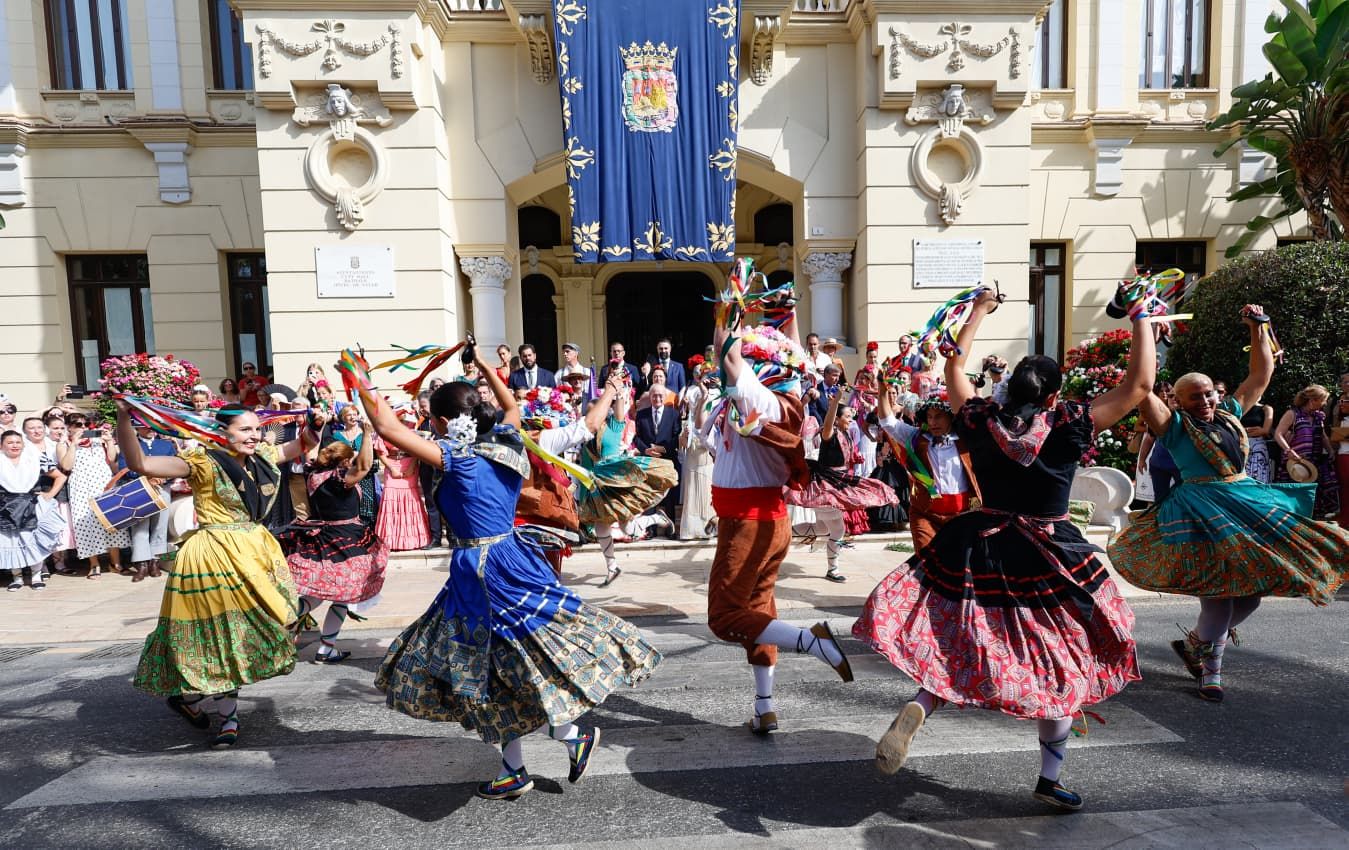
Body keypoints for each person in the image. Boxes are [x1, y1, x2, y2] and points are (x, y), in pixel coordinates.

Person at [855, 287, 1156, 812]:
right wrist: (1140, 315)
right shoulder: (1067, 426)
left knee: (965, 640)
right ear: (1053, 397)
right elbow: (1141, 385)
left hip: (982, 542)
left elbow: (953, 366)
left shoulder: (978, 419)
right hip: (1048, 549)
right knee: (1063, 664)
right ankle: (1049, 779)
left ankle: (924, 702)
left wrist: (977, 312)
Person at [359, 341, 661, 800]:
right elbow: (514, 406)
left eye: (432, 422)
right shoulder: (506, 440)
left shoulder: (457, 461)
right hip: (513, 555)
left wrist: (357, 375)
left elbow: (384, 423)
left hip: (480, 570)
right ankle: (518, 767)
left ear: (441, 423)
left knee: (501, 661)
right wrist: (484, 366)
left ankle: (567, 736)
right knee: (503, 664)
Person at [1110, 307, 1349, 704]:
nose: (1204, 400)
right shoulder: (1173, 427)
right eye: (1194, 396)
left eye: (1208, 393)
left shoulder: (1231, 414)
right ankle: (1211, 671)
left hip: (1244, 502)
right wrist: (1144, 327)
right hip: (1200, 513)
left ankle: (1194, 646)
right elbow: (1142, 386)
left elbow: (1260, 375)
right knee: (1219, 596)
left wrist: (1259, 328)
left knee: (1251, 595)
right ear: (1180, 401)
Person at [117, 400, 318, 749]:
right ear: (221, 431)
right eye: (245, 429)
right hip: (214, 556)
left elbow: (303, 444)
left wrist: (315, 421)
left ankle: (192, 700)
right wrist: (124, 417)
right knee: (223, 635)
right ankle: (229, 718)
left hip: (256, 553)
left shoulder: (263, 459)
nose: (254, 436)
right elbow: (141, 463)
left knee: (275, 622)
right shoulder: (203, 462)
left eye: (257, 429)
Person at [702, 319, 855, 737]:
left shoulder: (765, 400)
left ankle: (813, 641)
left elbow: (727, 355)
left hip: (748, 524)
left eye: (750, 358)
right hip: (764, 522)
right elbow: (728, 362)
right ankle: (764, 706)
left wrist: (728, 311)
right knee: (760, 613)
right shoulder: (770, 403)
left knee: (724, 617)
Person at [276, 424, 386, 663]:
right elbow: (365, 466)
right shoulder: (339, 479)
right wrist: (367, 434)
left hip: (320, 536)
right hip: (345, 540)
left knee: (315, 595)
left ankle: (281, 629)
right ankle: (325, 649)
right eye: (349, 459)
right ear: (344, 462)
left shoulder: (314, 475)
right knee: (343, 595)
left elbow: (355, 461)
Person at [575, 369, 677, 585]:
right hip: (600, 487)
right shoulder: (585, 439)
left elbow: (619, 402)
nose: (591, 416)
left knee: (627, 528)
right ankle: (612, 567)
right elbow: (584, 468)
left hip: (619, 482)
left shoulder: (614, 425)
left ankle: (657, 519)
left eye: (595, 411)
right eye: (589, 413)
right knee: (603, 527)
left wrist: (617, 384)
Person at [788, 386, 897, 582]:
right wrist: (835, 403)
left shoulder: (846, 434)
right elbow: (828, 423)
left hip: (837, 483)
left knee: (822, 528)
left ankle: (783, 530)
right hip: (825, 486)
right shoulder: (830, 434)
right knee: (838, 529)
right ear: (837, 419)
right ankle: (833, 569)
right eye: (847, 416)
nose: (850, 420)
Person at [875, 391, 980, 553]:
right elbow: (888, 423)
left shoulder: (967, 440)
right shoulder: (916, 438)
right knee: (926, 562)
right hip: (925, 513)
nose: (933, 422)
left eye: (938, 416)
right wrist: (882, 390)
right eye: (929, 417)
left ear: (951, 417)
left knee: (957, 565)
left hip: (961, 516)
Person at [1, 430, 66, 591]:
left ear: (23, 444)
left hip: (31, 505)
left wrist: (49, 494)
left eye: (17, 442)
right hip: (5, 508)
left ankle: (36, 575)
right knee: (10, 542)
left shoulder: (35, 458)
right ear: (2, 445)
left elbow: (60, 476)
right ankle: (17, 578)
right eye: (10, 442)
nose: (14, 445)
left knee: (32, 542)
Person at [65, 420, 128, 579]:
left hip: (103, 484)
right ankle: (94, 564)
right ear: (69, 428)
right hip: (81, 487)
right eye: (78, 425)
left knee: (111, 521)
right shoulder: (64, 443)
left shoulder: (98, 441)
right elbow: (66, 465)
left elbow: (112, 459)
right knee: (85, 523)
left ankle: (115, 563)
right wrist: (73, 444)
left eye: (86, 424)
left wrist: (109, 441)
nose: (83, 428)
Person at [119, 424, 177, 582]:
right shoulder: (130, 445)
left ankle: (154, 562)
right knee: (140, 527)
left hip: (162, 489)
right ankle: (141, 564)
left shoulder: (165, 445)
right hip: (140, 490)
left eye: (152, 426)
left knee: (160, 525)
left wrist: (165, 477)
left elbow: (175, 465)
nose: (150, 429)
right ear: (137, 428)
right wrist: (147, 479)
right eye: (145, 426)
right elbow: (124, 468)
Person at [1273, 384, 1339, 519]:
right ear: (1313, 400)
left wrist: (1330, 450)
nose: (1325, 403)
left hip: (1314, 464)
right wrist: (1289, 451)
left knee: (1312, 498)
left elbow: (1323, 436)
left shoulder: (1318, 416)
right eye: (1323, 400)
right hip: (1295, 463)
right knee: (1293, 497)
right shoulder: (1292, 413)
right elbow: (1278, 434)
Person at [374, 410, 430, 552]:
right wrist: (391, 467)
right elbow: (380, 452)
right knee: (391, 498)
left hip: (409, 463)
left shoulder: (412, 428)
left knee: (411, 499)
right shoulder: (385, 430)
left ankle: (413, 539)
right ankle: (391, 540)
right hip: (391, 464)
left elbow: (417, 449)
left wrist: (412, 467)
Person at [634, 370, 682, 521]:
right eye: (654, 395)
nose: (657, 398)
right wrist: (645, 450)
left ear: (665, 396)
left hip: (667, 458)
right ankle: (650, 528)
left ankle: (670, 527)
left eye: (660, 395)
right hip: (648, 459)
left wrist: (664, 448)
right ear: (650, 396)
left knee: (668, 495)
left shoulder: (673, 414)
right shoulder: (642, 414)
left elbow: (677, 436)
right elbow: (636, 437)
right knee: (649, 493)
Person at [678, 362, 718, 540]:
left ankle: (708, 527)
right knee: (693, 488)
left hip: (708, 452)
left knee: (707, 489)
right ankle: (692, 529)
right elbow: (682, 441)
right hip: (693, 452)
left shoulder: (717, 393)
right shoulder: (690, 391)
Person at [326, 404, 379, 526]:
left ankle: (368, 530)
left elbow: (372, 453)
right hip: (347, 475)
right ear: (343, 418)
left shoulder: (365, 433)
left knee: (366, 503)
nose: (352, 417)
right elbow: (336, 454)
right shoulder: (337, 435)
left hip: (364, 475)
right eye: (349, 415)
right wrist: (354, 454)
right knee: (349, 503)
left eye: (355, 414)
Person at [1241, 396, 1275, 484]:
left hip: (1258, 448)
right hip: (1241, 446)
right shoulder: (1241, 409)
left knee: (1259, 477)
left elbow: (1265, 430)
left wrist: (1244, 430)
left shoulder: (1266, 408)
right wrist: (1255, 429)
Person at [1332, 374, 1349, 527]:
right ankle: (1345, 520)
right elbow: (1333, 429)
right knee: (1344, 486)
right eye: (1345, 381)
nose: (1348, 384)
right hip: (1344, 452)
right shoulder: (1336, 403)